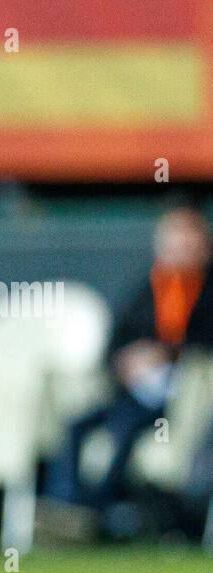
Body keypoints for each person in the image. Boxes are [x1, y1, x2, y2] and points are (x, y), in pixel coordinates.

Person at [46, 205, 213, 530]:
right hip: (134, 391)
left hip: (181, 401)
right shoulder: (150, 289)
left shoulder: (207, 291)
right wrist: (126, 360)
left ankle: (93, 513)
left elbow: (201, 342)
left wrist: (164, 354)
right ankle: (63, 506)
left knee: (122, 428)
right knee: (78, 424)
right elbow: (116, 341)